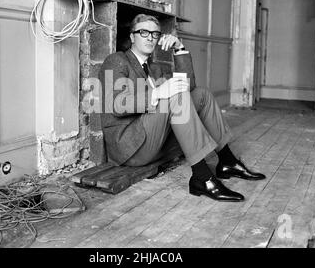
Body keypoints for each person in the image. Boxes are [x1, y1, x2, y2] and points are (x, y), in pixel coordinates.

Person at [98, 14, 265, 202]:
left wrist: (179, 49)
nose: (150, 37)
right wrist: (158, 93)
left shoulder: (155, 68)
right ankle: (202, 177)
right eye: (143, 32)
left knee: (201, 95)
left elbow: (189, 87)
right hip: (131, 145)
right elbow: (116, 105)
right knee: (173, 96)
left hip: (156, 138)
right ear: (131, 37)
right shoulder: (117, 61)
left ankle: (227, 161)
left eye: (155, 33)